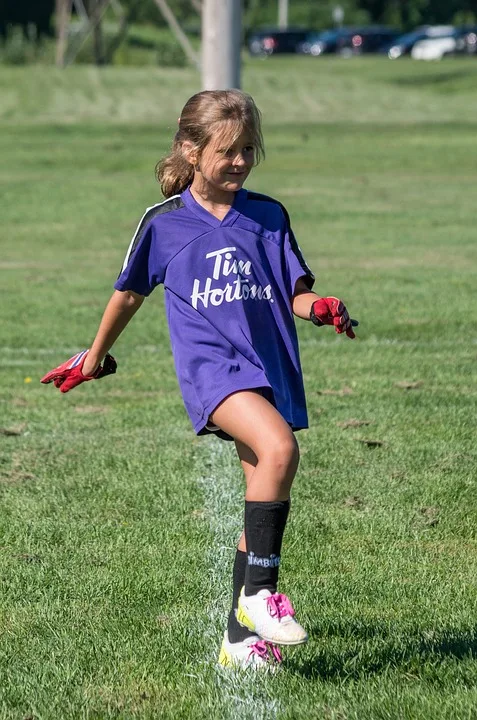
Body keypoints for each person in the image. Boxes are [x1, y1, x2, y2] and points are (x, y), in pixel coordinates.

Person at [41, 89, 357, 671]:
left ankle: (239, 642)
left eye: (248, 150)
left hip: (268, 365)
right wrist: (94, 357)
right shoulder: (163, 224)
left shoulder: (268, 214)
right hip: (214, 370)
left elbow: (294, 292)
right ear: (190, 149)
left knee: (263, 487)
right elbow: (129, 294)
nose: (240, 162)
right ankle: (260, 598)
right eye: (228, 150)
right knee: (280, 448)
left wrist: (321, 307)